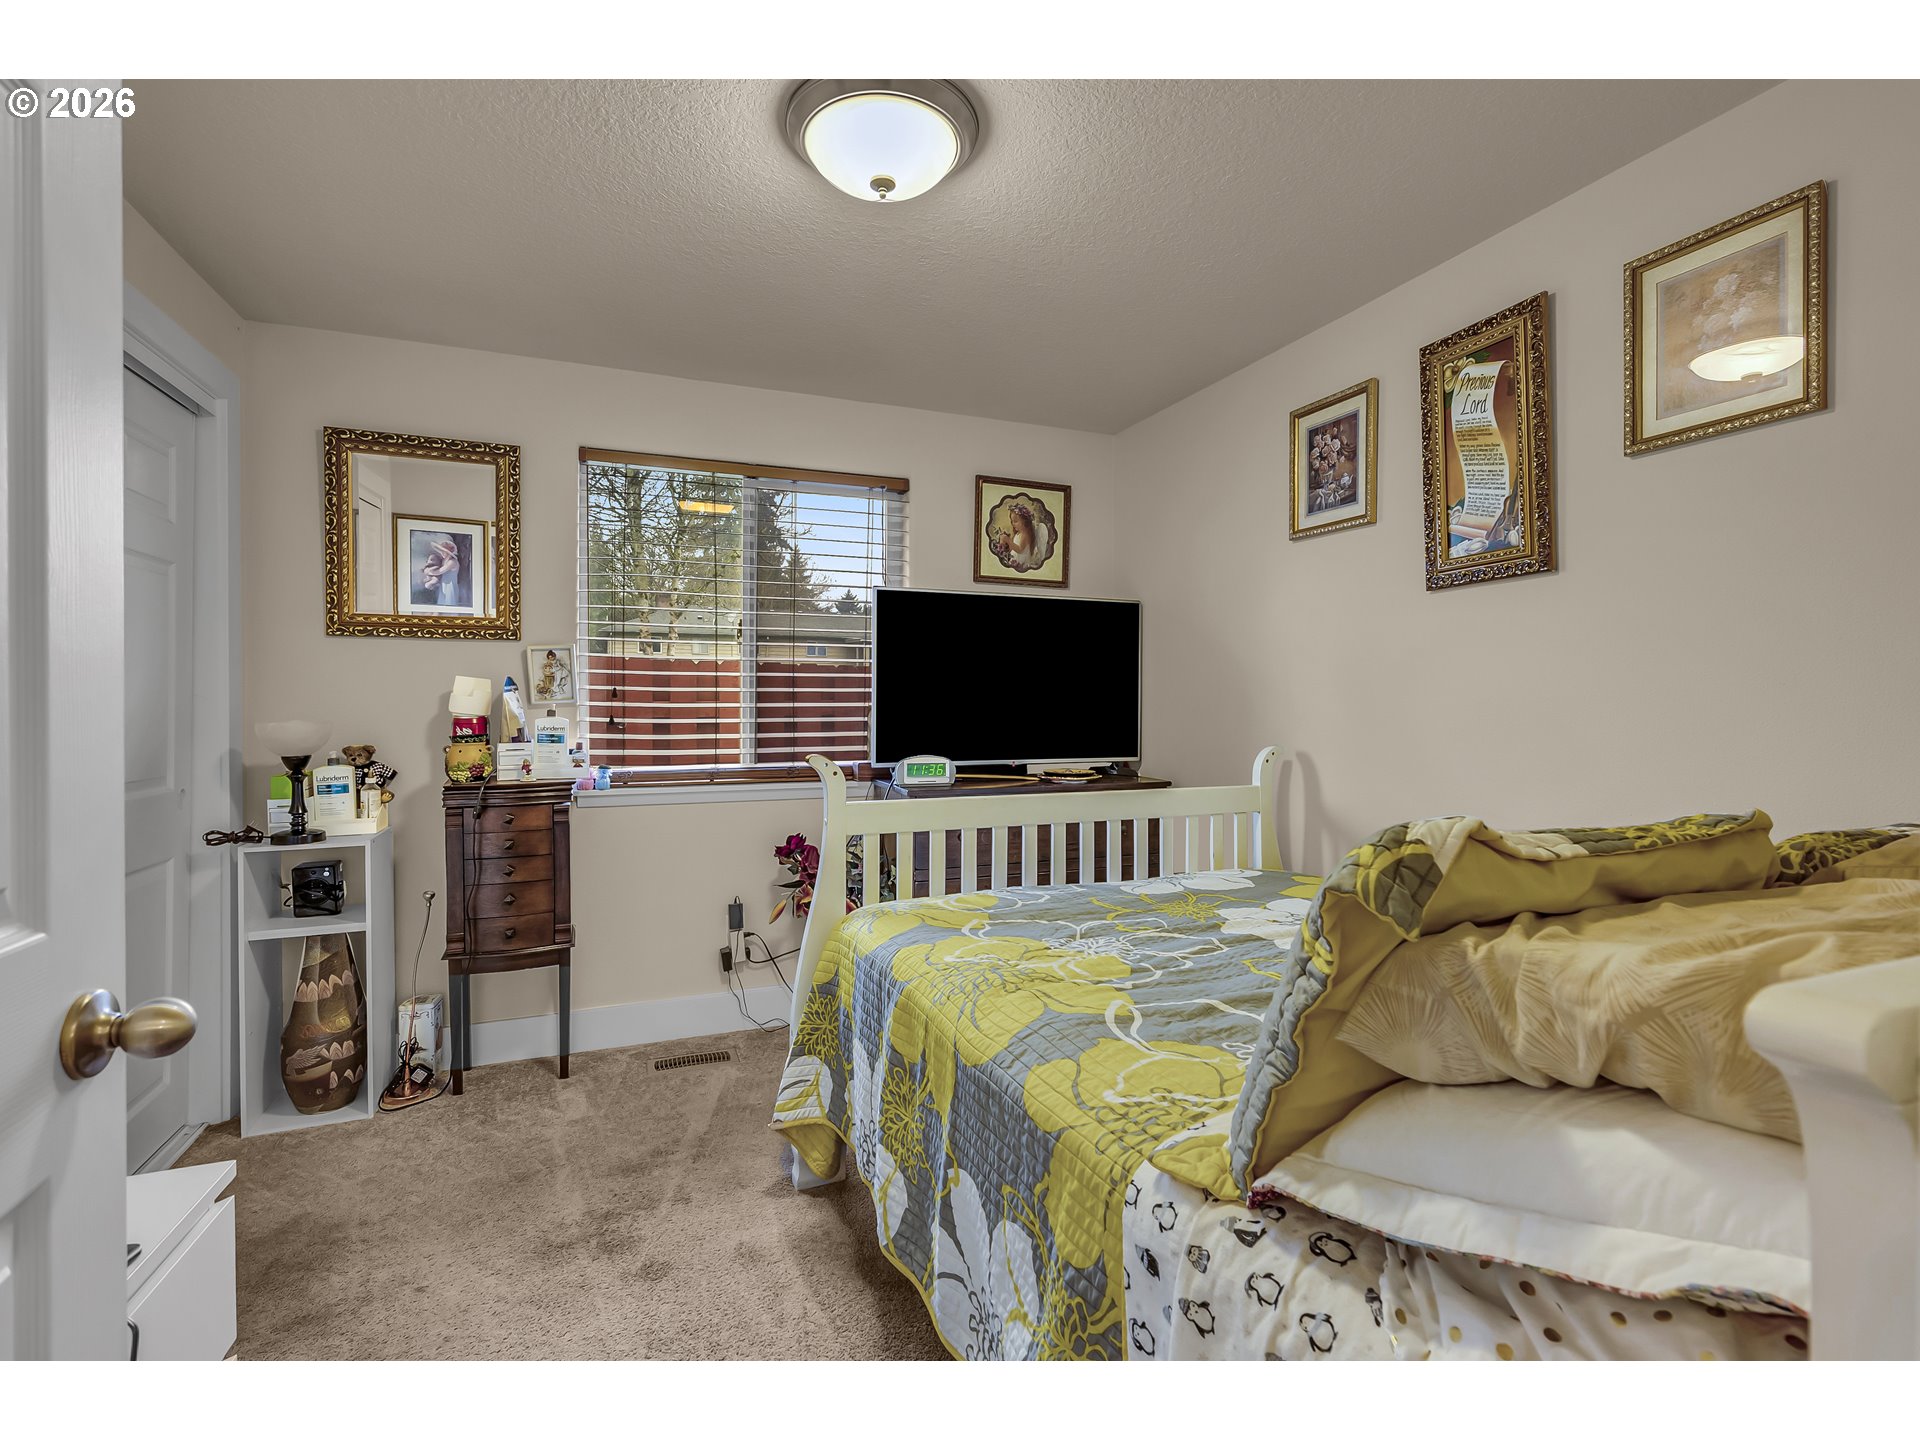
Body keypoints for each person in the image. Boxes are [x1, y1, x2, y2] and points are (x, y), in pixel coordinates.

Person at [412, 532, 470, 608]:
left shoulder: (452, 562)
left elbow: (439, 571)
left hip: (450, 587)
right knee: (442, 603)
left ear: (449, 552)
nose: (442, 553)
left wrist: (429, 571)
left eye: (444, 551)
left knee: (449, 604)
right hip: (444, 585)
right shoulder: (444, 561)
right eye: (441, 551)